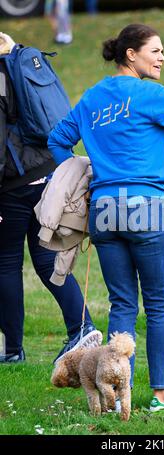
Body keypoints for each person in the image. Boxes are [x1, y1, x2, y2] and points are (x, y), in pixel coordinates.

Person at [48, 24, 164, 412]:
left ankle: (115, 395)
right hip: (145, 206)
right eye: (155, 51)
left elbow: (57, 139)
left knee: (122, 302)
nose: (161, 58)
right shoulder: (150, 95)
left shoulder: (94, 96)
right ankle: (161, 395)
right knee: (158, 303)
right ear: (130, 55)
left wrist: (83, 175)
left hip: (104, 210)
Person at [0, 32, 102, 364]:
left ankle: (13, 350)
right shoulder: (24, 62)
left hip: (14, 182)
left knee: (6, 264)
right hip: (49, 175)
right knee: (46, 259)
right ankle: (82, 326)